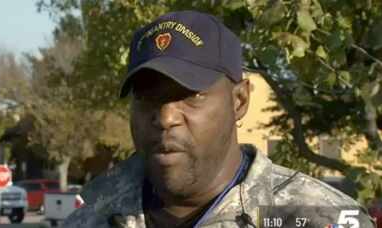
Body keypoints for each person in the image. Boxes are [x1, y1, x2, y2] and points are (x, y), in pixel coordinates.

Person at [64, 11, 375, 228]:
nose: (166, 117)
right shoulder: (89, 219)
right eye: (147, 97)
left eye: (191, 94)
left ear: (239, 101)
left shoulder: (323, 219)